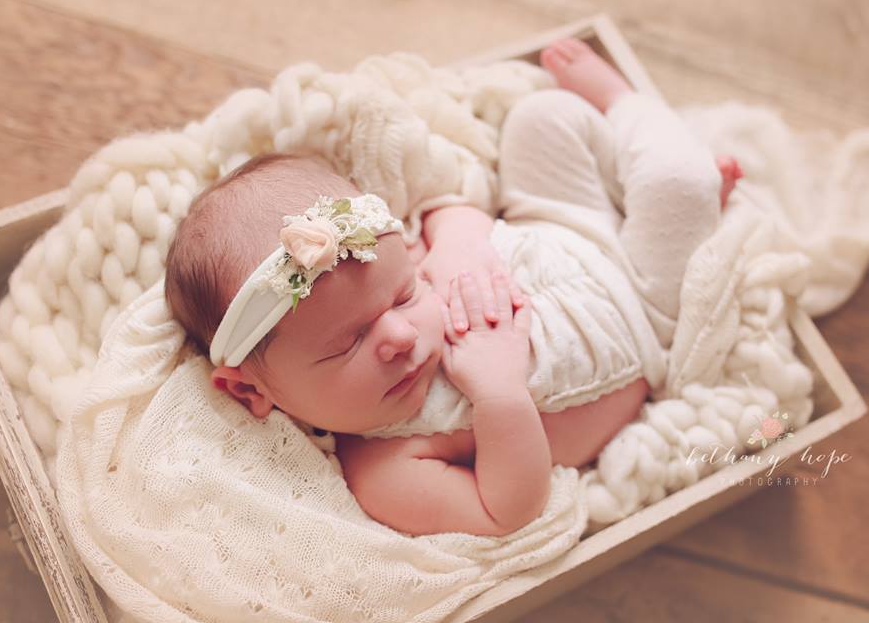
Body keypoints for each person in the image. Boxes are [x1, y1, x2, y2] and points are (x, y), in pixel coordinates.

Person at [164, 38, 740, 537]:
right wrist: (500, 397)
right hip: (642, 309)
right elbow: (506, 510)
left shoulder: (372, 263)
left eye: (405, 294)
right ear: (248, 392)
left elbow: (448, 210)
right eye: (347, 343)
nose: (397, 332)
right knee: (680, 185)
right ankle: (632, 114)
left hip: (561, 224)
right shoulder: (385, 466)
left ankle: (630, 160)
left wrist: (460, 242)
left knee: (540, 117)